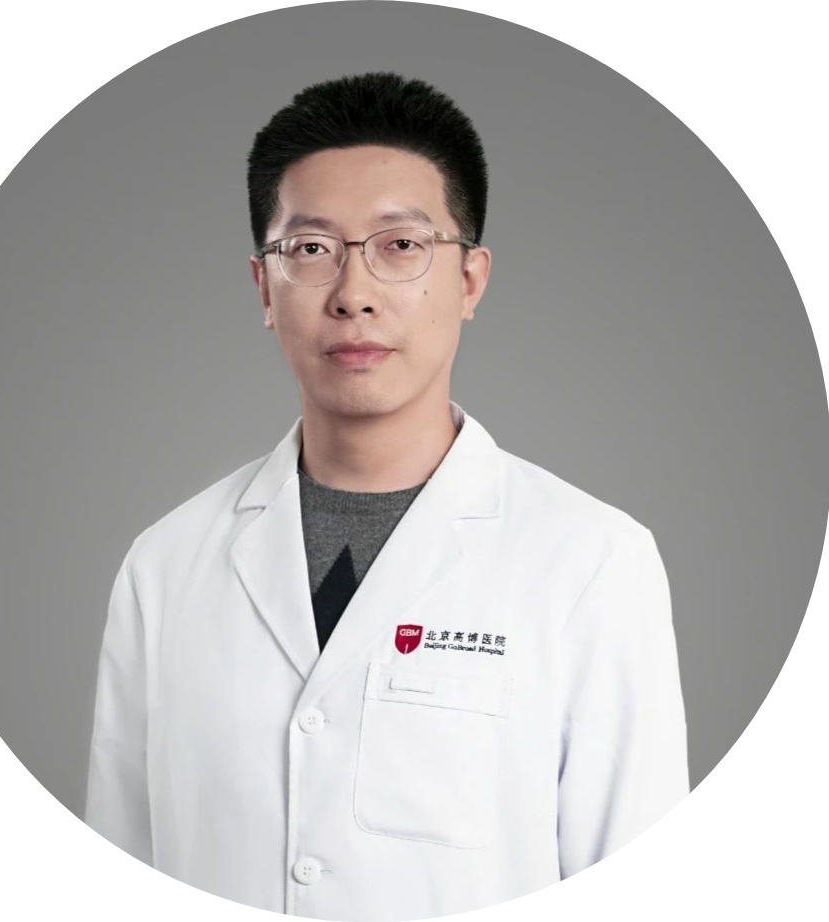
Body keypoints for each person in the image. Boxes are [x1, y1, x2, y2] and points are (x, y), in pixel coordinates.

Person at [85, 71, 689, 921]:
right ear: (264, 287)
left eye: (401, 245)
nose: (353, 294)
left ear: (470, 280)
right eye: (310, 250)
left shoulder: (592, 562)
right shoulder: (165, 565)